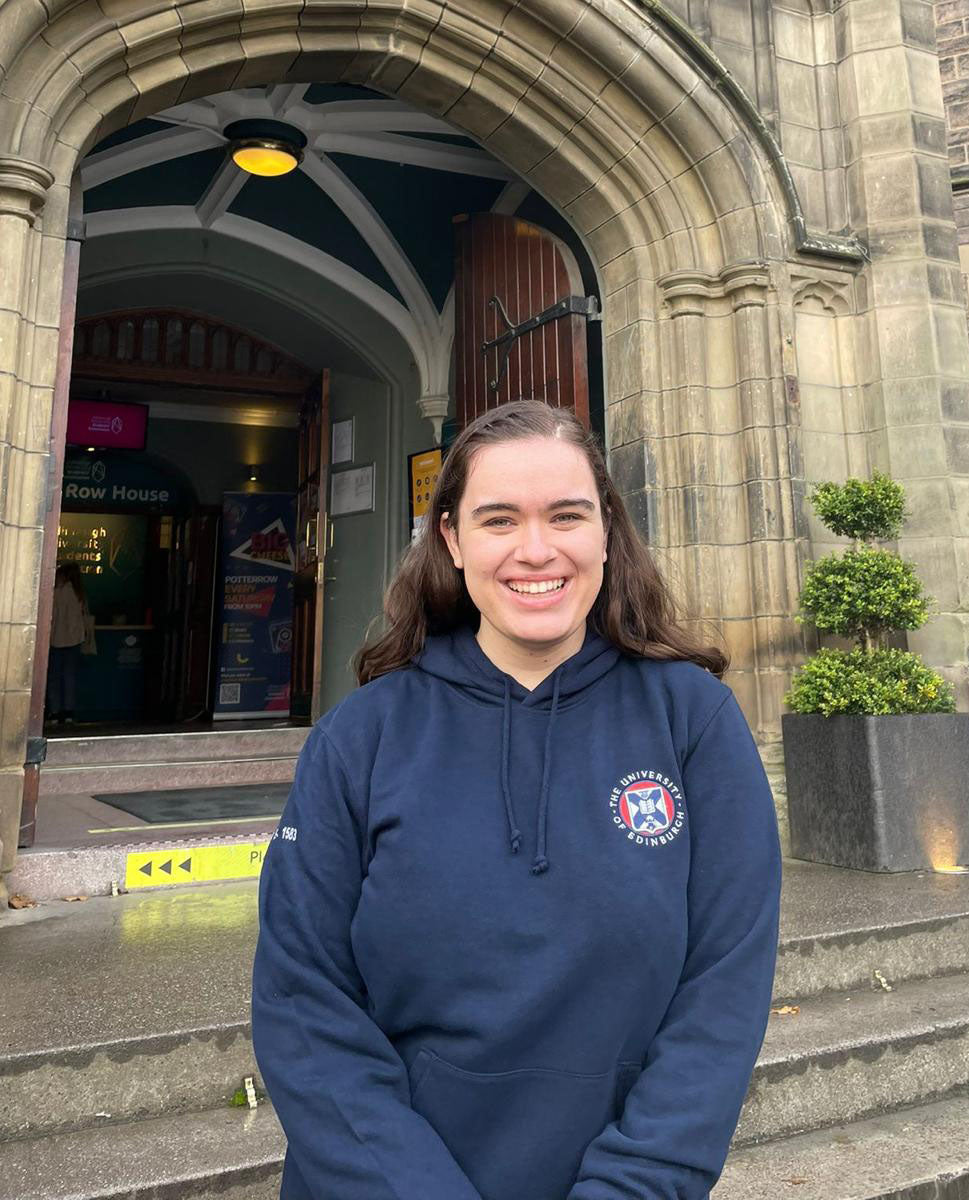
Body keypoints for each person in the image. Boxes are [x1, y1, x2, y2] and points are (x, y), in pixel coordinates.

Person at [252, 399, 782, 1200]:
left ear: (606, 531)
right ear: (453, 541)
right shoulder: (360, 737)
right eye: (498, 520)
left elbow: (723, 992)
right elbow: (303, 999)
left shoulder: (693, 721)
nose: (536, 550)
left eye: (566, 515)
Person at [47, 562, 90, 726]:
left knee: (54, 677)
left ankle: (54, 712)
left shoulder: (56, 593)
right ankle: (69, 712)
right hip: (74, 639)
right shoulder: (79, 594)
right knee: (70, 676)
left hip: (56, 639)